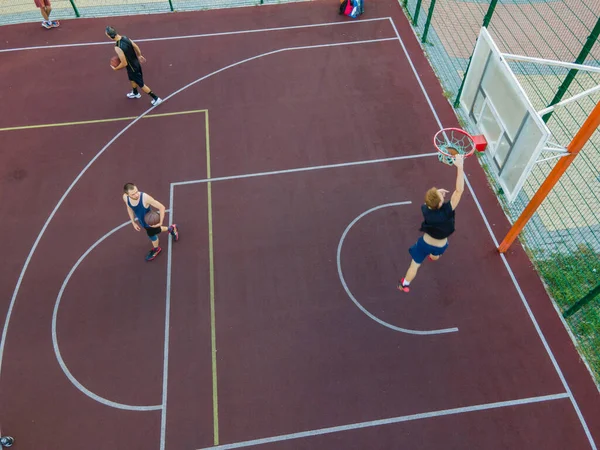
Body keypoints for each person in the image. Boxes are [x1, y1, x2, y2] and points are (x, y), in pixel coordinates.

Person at [398, 154, 464, 293]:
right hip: (441, 246)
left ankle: (405, 283)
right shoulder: (447, 210)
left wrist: (435, 194)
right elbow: (459, 191)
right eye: (441, 196)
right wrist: (460, 167)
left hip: (424, 244)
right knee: (435, 255)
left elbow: (428, 203)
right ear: (440, 203)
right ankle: (433, 257)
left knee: (414, 266)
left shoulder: (426, 210)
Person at [105, 26, 163, 106]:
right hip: (135, 63)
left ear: (109, 36)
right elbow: (136, 46)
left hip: (132, 68)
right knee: (132, 79)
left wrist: (116, 68)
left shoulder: (118, 47)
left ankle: (156, 98)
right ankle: (135, 93)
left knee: (141, 84)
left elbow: (124, 63)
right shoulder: (125, 37)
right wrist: (139, 55)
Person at [123, 183, 179, 261]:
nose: (136, 195)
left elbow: (162, 207)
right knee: (157, 230)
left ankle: (157, 249)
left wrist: (160, 222)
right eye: (133, 194)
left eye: (137, 191)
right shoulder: (125, 198)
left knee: (152, 235)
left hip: (150, 222)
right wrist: (133, 222)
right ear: (127, 194)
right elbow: (129, 208)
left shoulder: (145, 198)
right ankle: (172, 228)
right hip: (142, 221)